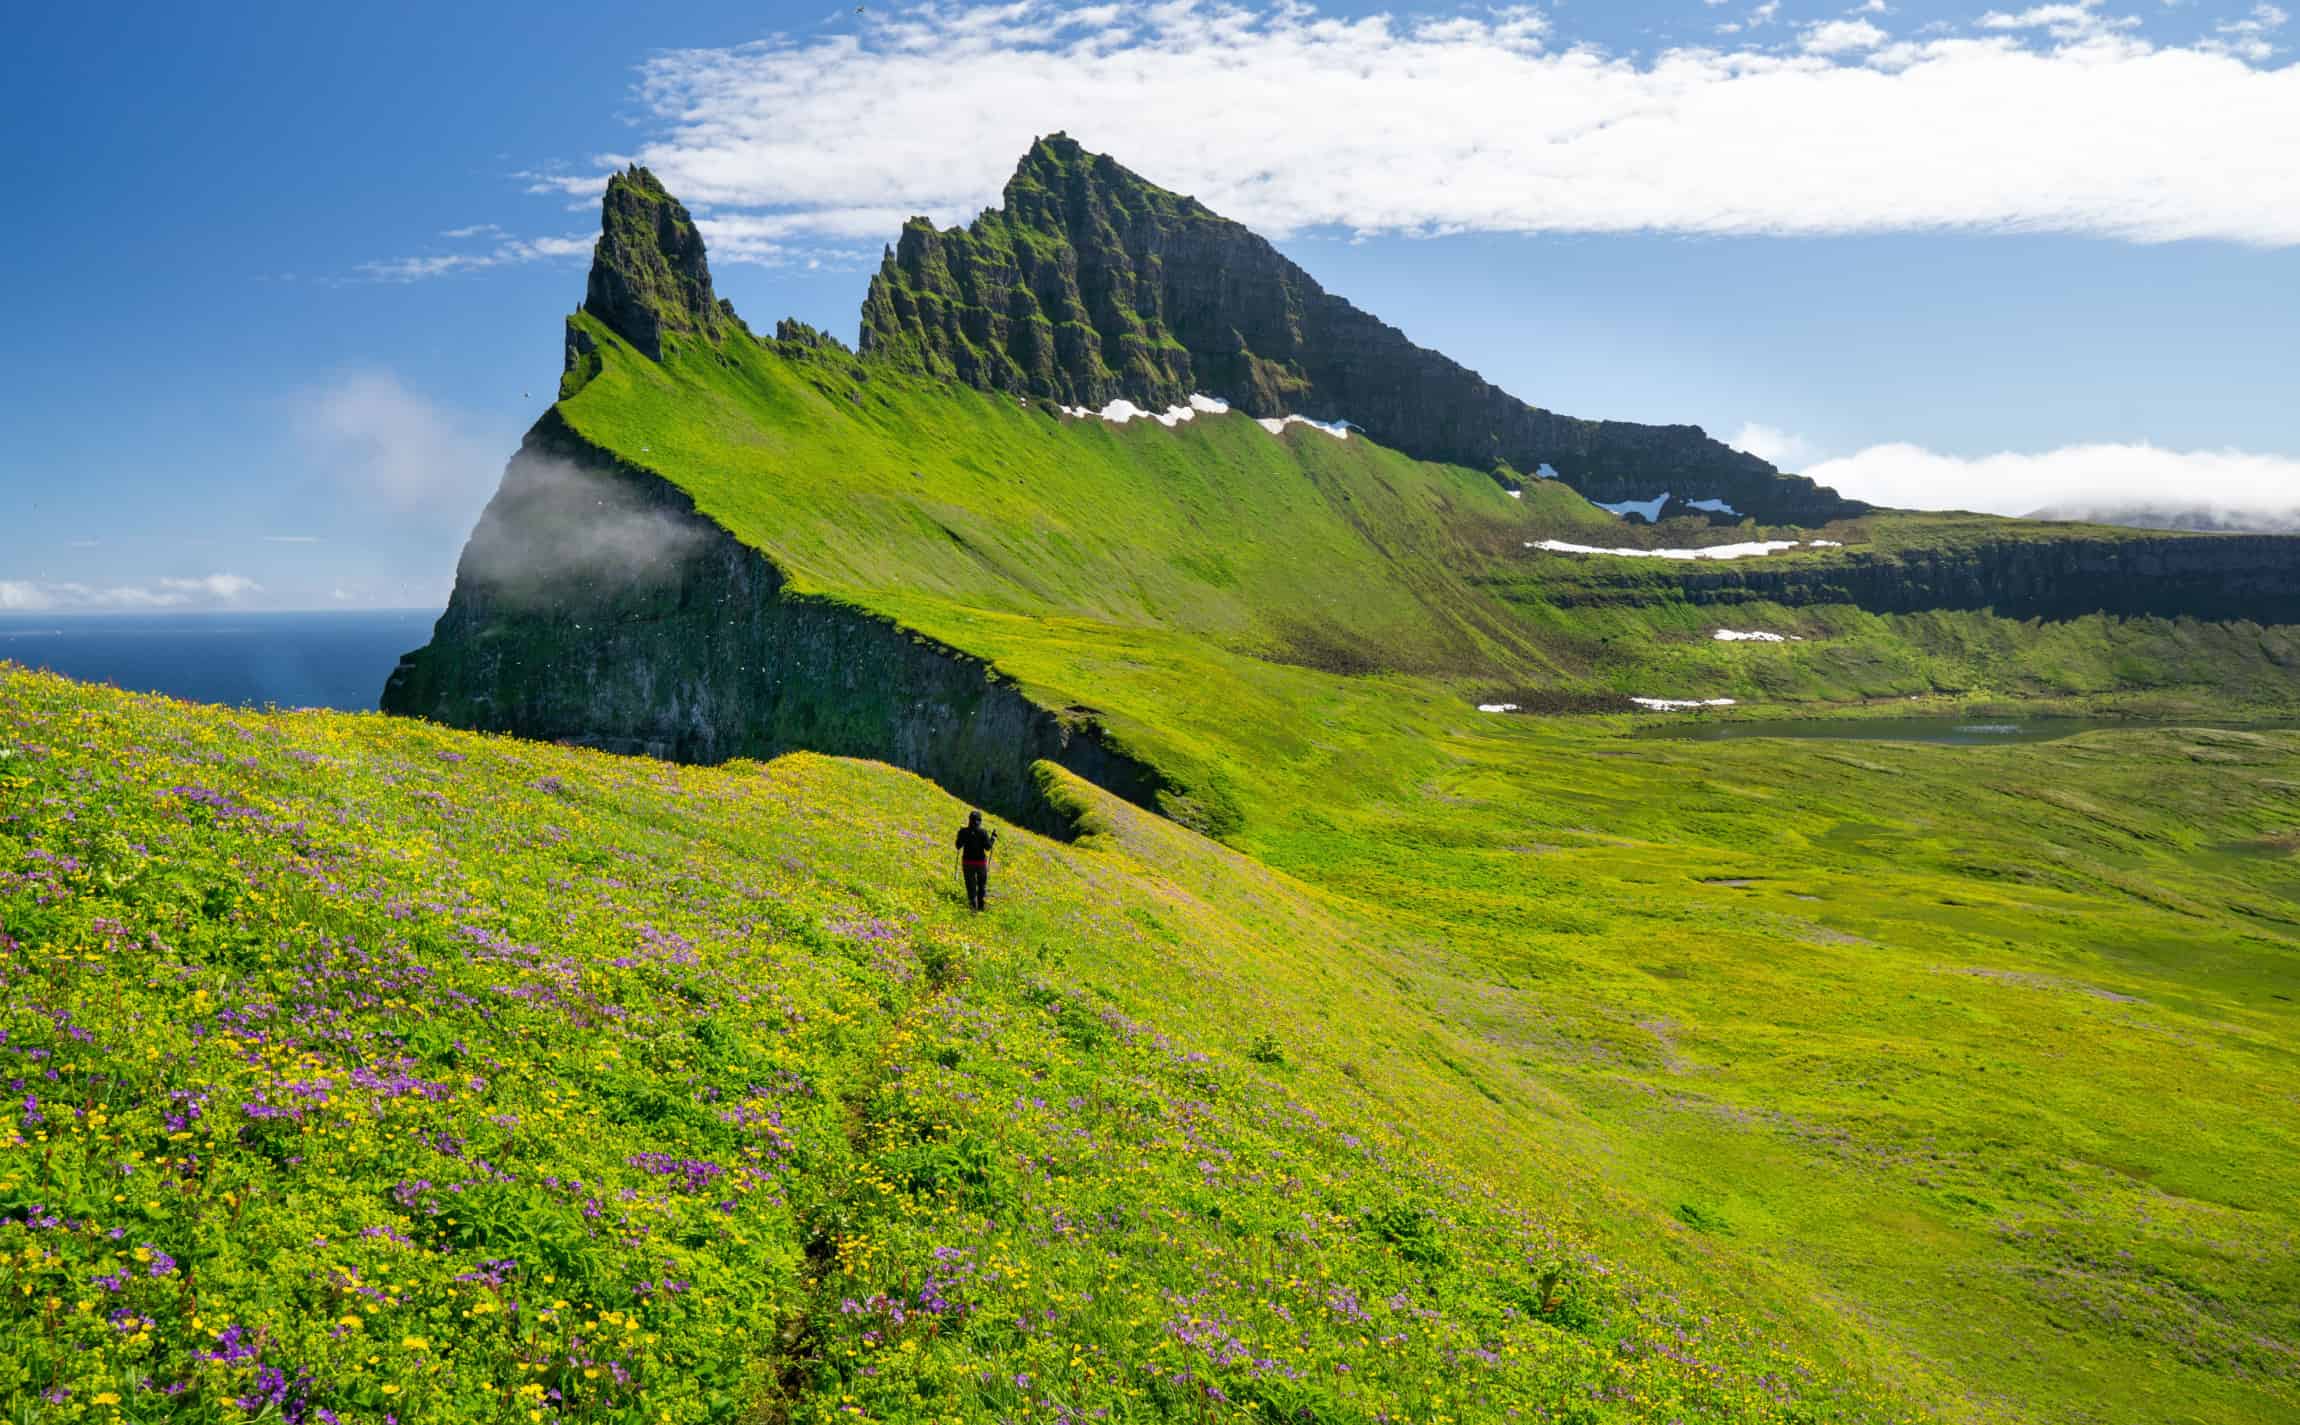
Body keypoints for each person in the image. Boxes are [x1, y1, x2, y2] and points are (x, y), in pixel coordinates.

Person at [955, 810, 998, 911]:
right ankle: (981, 906)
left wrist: (959, 835)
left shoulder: (963, 832)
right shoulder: (982, 832)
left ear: (969, 820)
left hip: (967, 862)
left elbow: (958, 846)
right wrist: (992, 838)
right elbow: (988, 847)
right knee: (981, 885)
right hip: (980, 863)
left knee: (971, 885)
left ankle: (973, 907)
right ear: (980, 821)